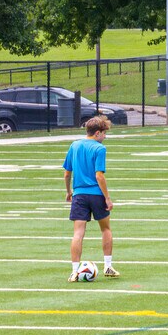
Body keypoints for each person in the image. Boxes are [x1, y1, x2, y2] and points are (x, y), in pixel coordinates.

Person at [63, 116, 120, 282]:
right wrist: (107, 198)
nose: (105, 137)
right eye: (104, 133)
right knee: (106, 229)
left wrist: (69, 192)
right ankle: (108, 266)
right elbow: (99, 175)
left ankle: (74, 271)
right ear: (97, 133)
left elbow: (67, 173)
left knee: (78, 233)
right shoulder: (99, 149)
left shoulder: (74, 145)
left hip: (79, 194)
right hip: (96, 194)